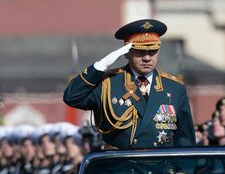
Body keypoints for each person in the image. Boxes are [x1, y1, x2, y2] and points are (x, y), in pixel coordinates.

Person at [64, 19, 195, 149]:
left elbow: (185, 139)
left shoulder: (174, 87)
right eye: (140, 51)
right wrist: (100, 66)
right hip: (122, 166)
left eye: (152, 51)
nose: (147, 58)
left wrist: (181, 170)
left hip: (160, 167)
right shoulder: (109, 83)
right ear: (127, 53)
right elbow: (72, 97)